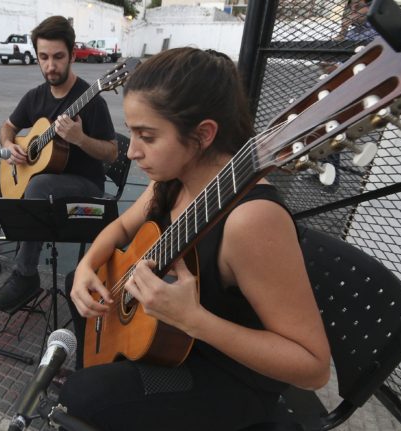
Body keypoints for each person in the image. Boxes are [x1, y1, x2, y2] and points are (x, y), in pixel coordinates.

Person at [60, 48, 331, 429]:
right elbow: (121, 229)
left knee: (82, 396)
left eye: (147, 136)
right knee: (76, 282)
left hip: (225, 373)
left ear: (203, 134)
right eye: (132, 131)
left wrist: (193, 320)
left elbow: (313, 368)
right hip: (173, 339)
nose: (132, 150)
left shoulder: (252, 219)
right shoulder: (169, 177)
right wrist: (88, 265)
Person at [0, 16, 117, 313]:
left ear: (71, 55)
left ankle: (26, 275)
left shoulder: (91, 100)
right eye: (44, 57)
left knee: (39, 186)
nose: (50, 66)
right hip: (43, 177)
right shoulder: (35, 97)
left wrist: (80, 138)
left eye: (58, 57)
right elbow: (7, 127)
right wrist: (9, 145)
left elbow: (112, 154)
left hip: (85, 184)